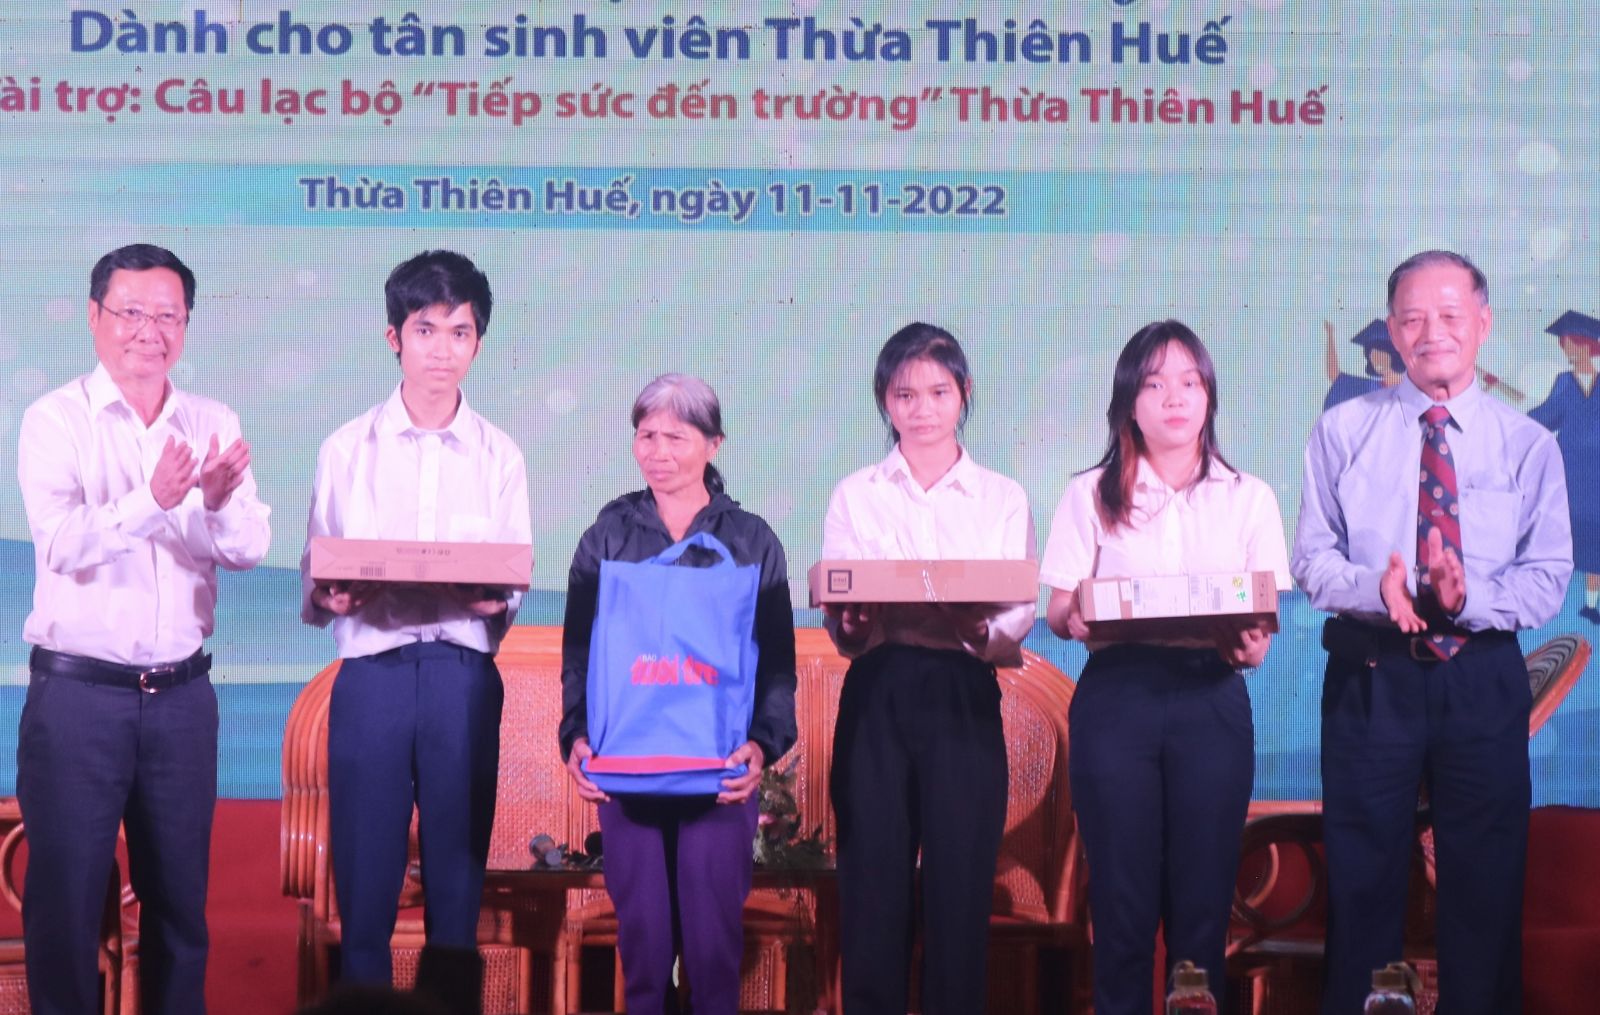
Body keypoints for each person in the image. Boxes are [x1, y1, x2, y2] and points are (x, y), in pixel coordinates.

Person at [1292, 250, 1572, 1014]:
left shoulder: (1528, 444)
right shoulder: (1342, 430)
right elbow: (1311, 559)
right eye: (1413, 318)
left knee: (1485, 884)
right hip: (1371, 674)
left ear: (1483, 323)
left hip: (1479, 676)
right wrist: (1376, 589)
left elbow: (1547, 578)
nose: (1432, 333)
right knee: (1362, 883)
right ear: (1391, 329)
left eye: (1450, 316)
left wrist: (1468, 593)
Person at [16, 242, 271, 1013]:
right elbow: (63, 544)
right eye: (131, 312)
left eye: (168, 315)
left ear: (186, 325)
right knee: (66, 911)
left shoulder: (211, 420)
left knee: (179, 912)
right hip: (79, 700)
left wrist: (215, 502)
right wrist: (153, 500)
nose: (148, 331)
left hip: (181, 700)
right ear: (95, 317)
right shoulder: (55, 419)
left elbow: (249, 548)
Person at [301, 250, 531, 1014]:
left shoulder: (500, 453)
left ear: (479, 342)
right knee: (365, 873)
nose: (442, 349)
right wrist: (331, 591)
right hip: (374, 670)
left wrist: (491, 598)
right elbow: (318, 573)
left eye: (460, 332)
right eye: (425, 329)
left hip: (462, 677)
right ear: (393, 337)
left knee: (457, 878)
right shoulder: (346, 448)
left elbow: (512, 580)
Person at [1040, 319, 1289, 1013]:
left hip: (1211, 695)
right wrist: (1076, 616)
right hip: (1117, 698)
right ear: (1129, 402)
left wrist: (1251, 646)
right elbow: (1058, 609)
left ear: (1209, 395)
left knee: (1202, 902)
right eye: (1154, 384)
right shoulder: (1090, 492)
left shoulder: (1249, 496)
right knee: (1121, 901)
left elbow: (1261, 626)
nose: (1174, 398)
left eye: (1188, 382)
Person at [558, 374, 797, 1015]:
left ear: (714, 444)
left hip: (720, 772)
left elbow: (778, 663)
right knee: (643, 947)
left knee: (713, 949)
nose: (658, 451)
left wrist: (763, 745)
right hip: (627, 769)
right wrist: (575, 736)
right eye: (647, 435)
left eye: (677, 437)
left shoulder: (751, 541)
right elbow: (578, 654)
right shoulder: (607, 537)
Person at [821, 322, 1035, 1015]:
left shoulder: (1001, 496)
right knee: (872, 884)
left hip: (962, 689)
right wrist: (853, 624)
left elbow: (1017, 613)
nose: (922, 409)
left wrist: (979, 628)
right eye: (905, 394)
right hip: (878, 690)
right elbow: (843, 614)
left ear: (964, 393)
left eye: (938, 392)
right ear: (885, 401)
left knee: (959, 886)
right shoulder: (855, 493)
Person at [1528, 310, 1600, 622]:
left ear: (1587, 346)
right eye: (1565, 347)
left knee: (1595, 541)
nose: (1568, 352)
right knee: (1564, 536)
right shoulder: (1564, 382)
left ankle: (1591, 604)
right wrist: (1518, 422)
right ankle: (1554, 601)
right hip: (1569, 471)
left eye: (1572, 346)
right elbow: (1546, 416)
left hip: (1597, 474)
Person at [1322, 318, 1403, 411]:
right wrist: (1330, 336)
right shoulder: (1368, 388)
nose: (1376, 362)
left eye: (1380, 356)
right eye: (1372, 357)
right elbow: (1335, 375)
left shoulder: (1410, 390)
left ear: (1394, 356)